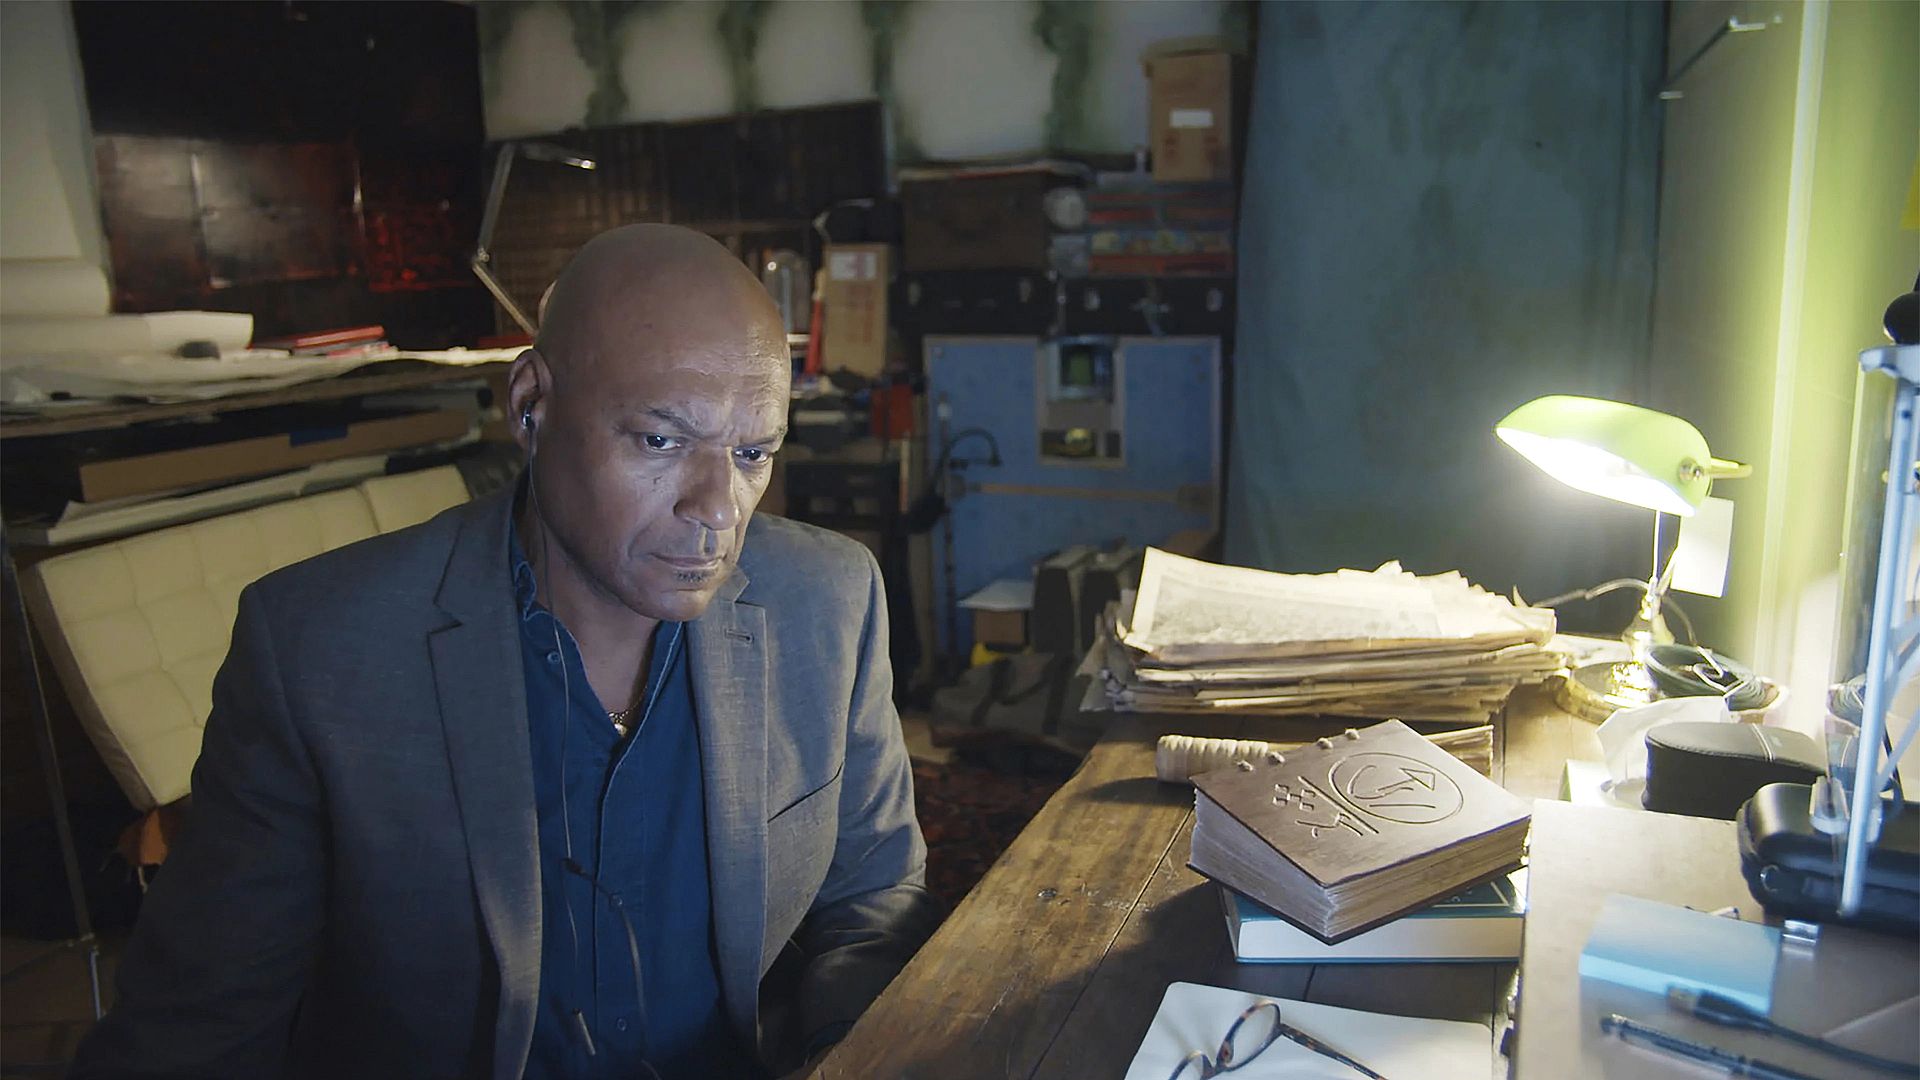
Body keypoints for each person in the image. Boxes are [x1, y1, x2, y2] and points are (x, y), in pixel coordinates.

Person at [71, 224, 943, 1079]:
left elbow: (873, 900)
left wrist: (846, 1056)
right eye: (662, 440)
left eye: (752, 452)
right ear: (531, 405)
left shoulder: (829, 601)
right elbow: (195, 1029)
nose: (720, 507)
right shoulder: (319, 652)